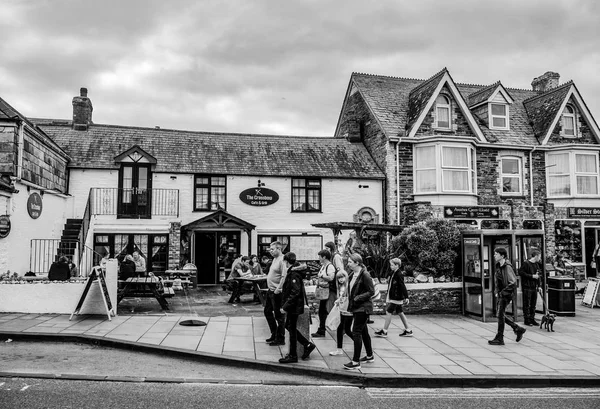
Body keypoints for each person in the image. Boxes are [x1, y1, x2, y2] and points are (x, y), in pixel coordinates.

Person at [279, 252, 316, 363]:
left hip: (293, 307)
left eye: (284, 261)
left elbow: (295, 292)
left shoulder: (294, 274)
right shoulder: (294, 272)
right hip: (294, 305)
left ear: (286, 261)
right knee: (289, 327)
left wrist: (285, 306)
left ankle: (293, 355)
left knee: (291, 329)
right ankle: (306, 345)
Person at [488, 247, 526, 346]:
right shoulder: (498, 266)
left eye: (496, 254)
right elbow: (498, 281)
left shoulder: (507, 267)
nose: (494, 255)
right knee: (500, 315)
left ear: (502, 256)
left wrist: (502, 293)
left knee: (500, 315)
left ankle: (500, 338)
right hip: (501, 293)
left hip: (506, 294)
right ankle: (517, 329)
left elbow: (513, 283)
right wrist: (496, 291)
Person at [344, 253, 375, 370]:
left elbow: (370, 291)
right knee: (364, 332)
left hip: (363, 307)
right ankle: (369, 355)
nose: (348, 264)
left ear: (357, 263)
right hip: (357, 307)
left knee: (356, 332)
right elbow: (351, 289)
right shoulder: (353, 274)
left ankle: (355, 361)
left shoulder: (365, 275)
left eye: (350, 262)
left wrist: (357, 298)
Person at [375, 258, 413, 337]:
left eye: (392, 265)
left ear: (397, 265)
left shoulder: (399, 274)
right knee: (400, 312)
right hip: (394, 297)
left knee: (389, 311)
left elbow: (402, 286)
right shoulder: (393, 273)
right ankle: (408, 330)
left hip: (396, 297)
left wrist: (406, 297)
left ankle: (384, 331)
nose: (390, 266)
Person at [264, 241, 287, 346]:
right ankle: (274, 333)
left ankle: (280, 338)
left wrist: (279, 288)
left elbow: (284, 276)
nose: (270, 251)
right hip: (270, 290)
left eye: (272, 249)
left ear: (279, 249)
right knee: (267, 312)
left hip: (277, 292)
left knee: (279, 316)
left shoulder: (282, 260)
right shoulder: (274, 259)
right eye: (270, 249)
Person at [311, 249, 337, 338]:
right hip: (323, 292)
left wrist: (321, 276)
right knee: (322, 311)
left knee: (324, 311)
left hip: (327, 292)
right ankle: (321, 329)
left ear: (324, 257)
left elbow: (331, 277)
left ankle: (322, 330)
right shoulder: (324, 266)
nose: (319, 258)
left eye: (319, 256)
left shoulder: (330, 266)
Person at [329, 269, 354, 356]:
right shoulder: (340, 287)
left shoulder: (349, 286)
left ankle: (359, 342)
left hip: (348, 311)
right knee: (340, 329)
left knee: (347, 330)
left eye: (342, 277)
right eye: (339, 278)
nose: (341, 279)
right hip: (342, 310)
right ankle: (339, 349)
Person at [519, 249, 541, 326]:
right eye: (539, 257)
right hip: (527, 286)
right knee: (527, 304)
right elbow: (521, 272)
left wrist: (539, 285)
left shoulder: (536, 265)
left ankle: (532, 319)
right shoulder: (526, 263)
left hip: (534, 287)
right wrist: (531, 276)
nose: (539, 258)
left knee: (533, 304)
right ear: (536, 256)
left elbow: (538, 276)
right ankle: (527, 319)